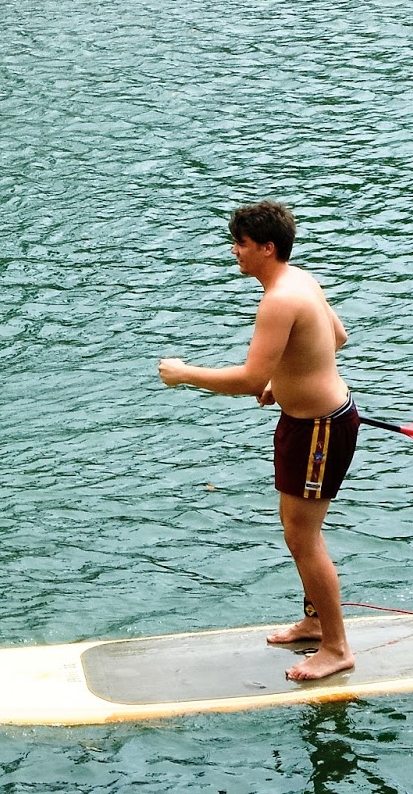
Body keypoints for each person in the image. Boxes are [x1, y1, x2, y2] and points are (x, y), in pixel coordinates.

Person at [158, 200, 360, 682]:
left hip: (319, 431)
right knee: (298, 533)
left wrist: (186, 374)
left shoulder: (278, 300)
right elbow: (337, 337)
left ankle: (336, 648)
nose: (235, 252)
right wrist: (287, 380)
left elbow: (249, 380)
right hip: (312, 422)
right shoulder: (300, 280)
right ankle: (314, 623)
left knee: (302, 537)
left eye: (242, 245)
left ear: (267, 248)